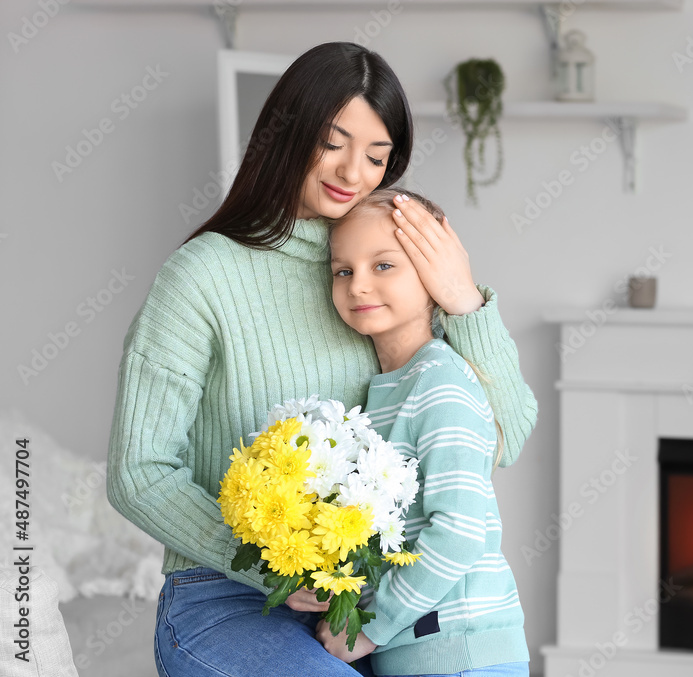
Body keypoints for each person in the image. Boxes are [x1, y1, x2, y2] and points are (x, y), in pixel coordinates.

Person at [106, 42, 536, 677]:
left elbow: (505, 436)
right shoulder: (202, 276)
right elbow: (138, 471)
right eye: (332, 142)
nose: (353, 172)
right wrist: (265, 559)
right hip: (224, 600)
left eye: (376, 156)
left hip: (359, 611)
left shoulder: (386, 270)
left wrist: (464, 298)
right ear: (287, 133)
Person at [319, 188, 529, 676]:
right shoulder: (384, 391)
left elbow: (457, 533)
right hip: (418, 651)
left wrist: (368, 628)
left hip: (460, 651)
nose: (358, 286)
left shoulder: (440, 382)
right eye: (343, 271)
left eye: (384, 266)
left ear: (432, 276)